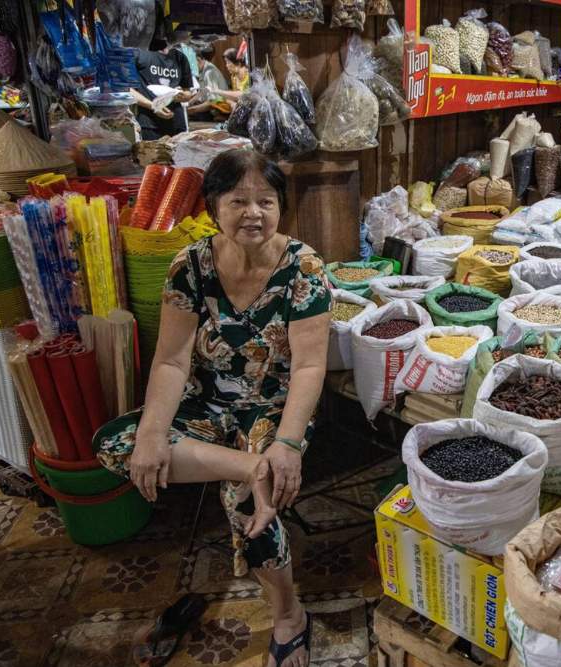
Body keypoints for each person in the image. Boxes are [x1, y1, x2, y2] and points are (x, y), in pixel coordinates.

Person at [95, 150, 331, 667]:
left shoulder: (304, 268)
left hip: (273, 403)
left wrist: (287, 444)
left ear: (281, 207)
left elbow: (310, 368)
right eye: (238, 200)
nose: (253, 212)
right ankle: (249, 464)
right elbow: (173, 360)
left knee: (248, 500)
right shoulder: (190, 266)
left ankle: (289, 615)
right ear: (213, 206)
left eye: (265, 201)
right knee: (120, 445)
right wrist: (154, 433)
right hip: (206, 398)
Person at [130, 39, 196, 140]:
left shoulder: (180, 57)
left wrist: (182, 96)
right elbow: (128, 89)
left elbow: (188, 92)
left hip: (177, 123)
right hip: (149, 123)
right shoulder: (140, 54)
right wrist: (153, 106)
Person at [187, 48, 233, 119]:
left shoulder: (209, 72)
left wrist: (192, 110)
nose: (191, 68)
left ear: (198, 59)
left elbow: (212, 101)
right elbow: (202, 91)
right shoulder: (203, 70)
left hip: (219, 109)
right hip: (210, 105)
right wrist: (189, 103)